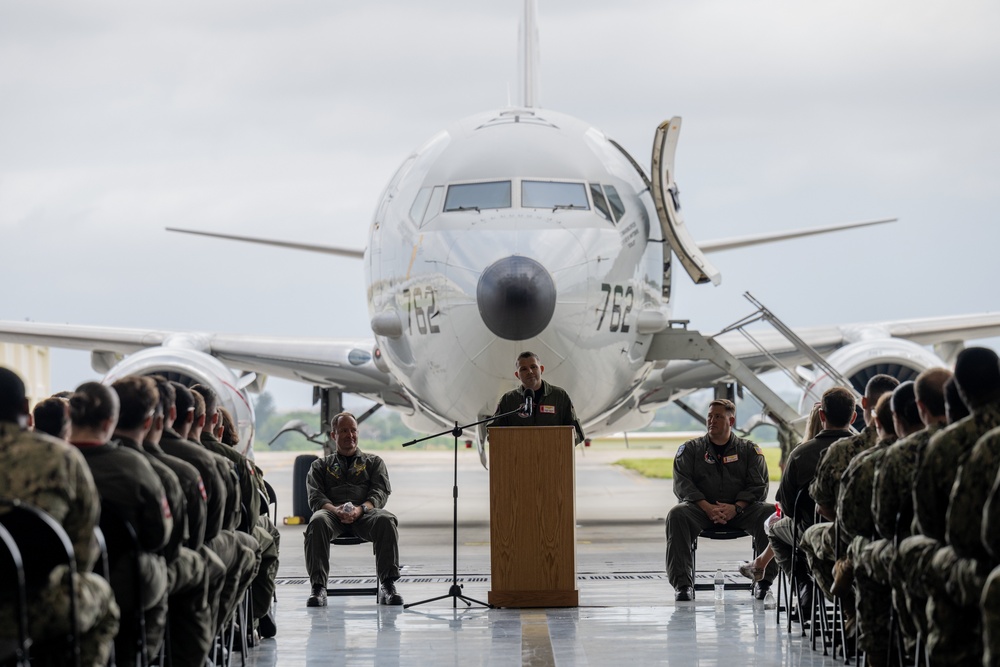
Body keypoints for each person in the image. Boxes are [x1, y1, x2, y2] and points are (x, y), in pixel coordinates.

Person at [0, 367, 119, 667]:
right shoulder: (61, 458)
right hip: (28, 608)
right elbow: (80, 551)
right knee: (102, 600)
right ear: (27, 410)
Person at [896, 347, 1000, 666]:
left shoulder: (959, 444)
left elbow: (960, 534)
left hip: (984, 568)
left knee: (918, 552)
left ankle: (931, 647)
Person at [111, 375, 216, 666]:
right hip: (133, 579)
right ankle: (186, 656)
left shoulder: (72, 464)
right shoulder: (168, 474)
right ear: (155, 420)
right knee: (196, 565)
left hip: (69, 576)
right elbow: (171, 543)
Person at [68, 381, 172, 664]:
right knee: (159, 574)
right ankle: (140, 657)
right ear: (109, 422)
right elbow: (158, 536)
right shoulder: (134, 466)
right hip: (120, 580)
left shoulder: (50, 462)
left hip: (48, 580)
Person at [665, 398, 774, 601]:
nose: (711, 421)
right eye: (709, 416)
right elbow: (682, 484)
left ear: (731, 421)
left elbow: (759, 486)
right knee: (677, 514)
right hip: (702, 511)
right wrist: (706, 507)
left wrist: (736, 507)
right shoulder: (691, 450)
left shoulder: (749, 451)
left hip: (741, 512)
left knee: (769, 513)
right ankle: (683, 586)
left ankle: (763, 583)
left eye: (718, 417)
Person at [766, 386, 857, 614]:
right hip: (862, 534)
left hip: (815, 532)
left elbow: (787, 506)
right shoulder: (867, 450)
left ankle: (804, 586)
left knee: (773, 529)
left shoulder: (800, 454)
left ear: (822, 416)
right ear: (854, 417)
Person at [303, 411, 403, 607]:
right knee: (317, 520)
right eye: (344, 431)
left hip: (365, 514)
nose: (350, 435)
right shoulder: (320, 466)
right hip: (332, 515)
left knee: (386, 519)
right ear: (333, 435)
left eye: (353, 430)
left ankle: (388, 585)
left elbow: (379, 493)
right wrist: (335, 510)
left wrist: (360, 510)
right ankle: (318, 587)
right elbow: (316, 496)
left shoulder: (373, 463)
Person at [490, 351, 585, 443]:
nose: (530, 371)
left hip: (554, 457)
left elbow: (577, 433)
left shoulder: (560, 396)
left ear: (541, 369)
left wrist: (561, 444)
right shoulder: (508, 400)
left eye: (533, 367)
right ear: (517, 375)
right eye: (524, 369)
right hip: (519, 457)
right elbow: (492, 434)